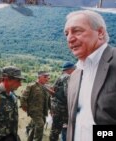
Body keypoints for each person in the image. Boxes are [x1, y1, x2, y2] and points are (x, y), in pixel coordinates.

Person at [64, 10, 116, 141]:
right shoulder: (75, 75)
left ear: (100, 33)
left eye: (77, 31)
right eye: (67, 33)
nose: (69, 38)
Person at [20, 71, 51, 141]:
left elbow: (48, 99)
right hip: (34, 111)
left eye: (48, 77)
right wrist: (25, 107)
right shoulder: (32, 85)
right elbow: (23, 97)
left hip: (43, 111)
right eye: (45, 77)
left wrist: (51, 109)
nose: (47, 79)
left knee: (36, 126)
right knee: (40, 125)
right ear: (39, 77)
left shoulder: (46, 87)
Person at [49, 61, 75, 141]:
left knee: (56, 128)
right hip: (61, 107)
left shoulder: (60, 77)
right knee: (59, 128)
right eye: (74, 69)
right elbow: (68, 93)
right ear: (71, 69)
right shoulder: (67, 77)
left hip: (56, 106)